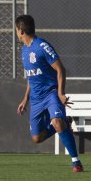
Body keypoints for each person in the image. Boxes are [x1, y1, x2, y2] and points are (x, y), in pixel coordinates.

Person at [15, 14, 83, 172]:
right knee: (37, 138)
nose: (16, 33)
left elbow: (61, 69)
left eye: (16, 30)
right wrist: (25, 99)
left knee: (57, 122)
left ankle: (76, 162)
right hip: (36, 99)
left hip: (51, 93)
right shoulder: (24, 51)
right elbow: (32, 77)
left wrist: (60, 93)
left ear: (20, 31)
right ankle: (65, 122)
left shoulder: (42, 46)